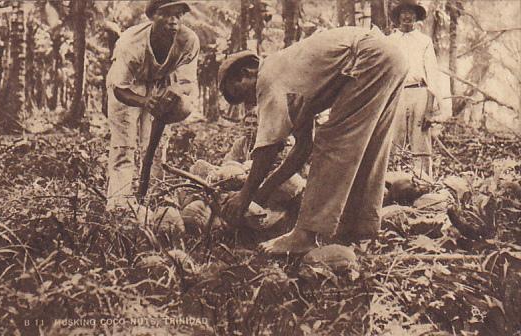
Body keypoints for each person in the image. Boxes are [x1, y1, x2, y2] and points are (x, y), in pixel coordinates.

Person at [217, 27, 408, 254]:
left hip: (369, 57)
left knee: (332, 141)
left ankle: (305, 234)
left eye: (242, 95)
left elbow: (268, 150)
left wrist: (244, 196)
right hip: (390, 57)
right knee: (369, 146)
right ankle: (361, 228)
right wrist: (262, 193)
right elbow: (302, 149)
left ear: (247, 72)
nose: (251, 103)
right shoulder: (294, 78)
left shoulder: (268, 77)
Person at [106, 0, 199, 218]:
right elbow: (119, 88)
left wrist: (174, 91)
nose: (173, 21)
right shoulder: (131, 43)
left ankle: (155, 198)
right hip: (130, 86)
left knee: (156, 147)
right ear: (151, 16)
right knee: (124, 147)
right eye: (165, 15)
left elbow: (187, 81)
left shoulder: (188, 41)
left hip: (161, 83)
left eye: (178, 15)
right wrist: (144, 101)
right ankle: (119, 205)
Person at [388, 0, 451, 179]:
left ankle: (424, 181)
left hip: (420, 93)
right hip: (397, 94)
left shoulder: (424, 41)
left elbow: (432, 73)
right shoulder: (390, 41)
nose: (407, 16)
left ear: (416, 16)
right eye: (404, 12)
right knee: (394, 139)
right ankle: (392, 181)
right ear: (398, 16)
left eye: (411, 12)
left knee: (421, 139)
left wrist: (430, 108)